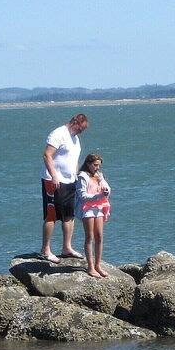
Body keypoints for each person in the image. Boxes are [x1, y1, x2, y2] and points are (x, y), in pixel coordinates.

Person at [40, 113, 88, 263]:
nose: (81, 131)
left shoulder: (75, 138)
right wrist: (54, 175)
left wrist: (77, 173)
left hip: (69, 181)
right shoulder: (58, 134)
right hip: (53, 180)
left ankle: (67, 247)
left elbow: (72, 158)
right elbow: (47, 155)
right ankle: (45, 249)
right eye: (81, 128)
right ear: (75, 122)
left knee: (69, 215)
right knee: (52, 215)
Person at [75, 153, 112, 278]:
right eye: (95, 165)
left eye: (99, 165)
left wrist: (105, 189)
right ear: (88, 164)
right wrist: (98, 196)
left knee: (99, 236)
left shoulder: (98, 175)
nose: (97, 168)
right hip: (88, 209)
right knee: (89, 236)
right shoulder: (82, 176)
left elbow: (107, 189)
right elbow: (83, 195)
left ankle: (98, 265)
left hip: (99, 208)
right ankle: (90, 267)